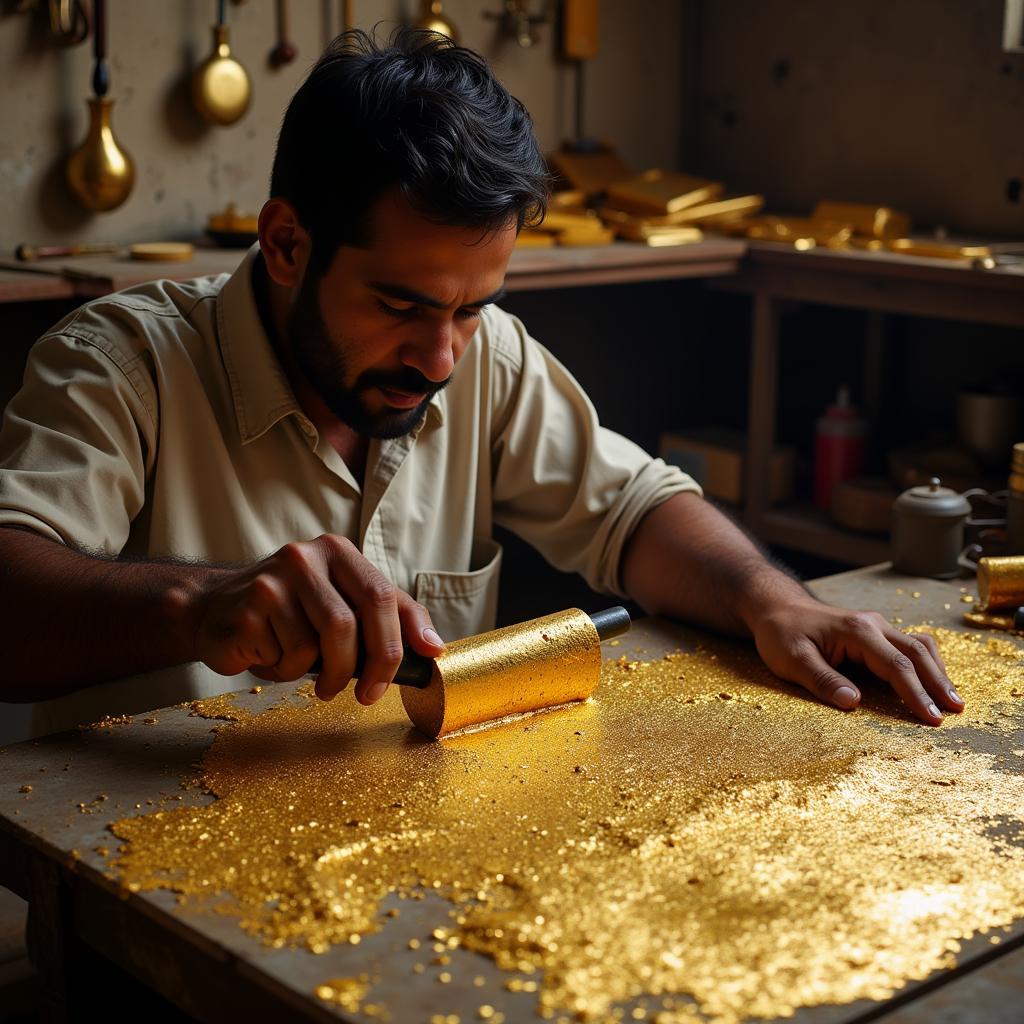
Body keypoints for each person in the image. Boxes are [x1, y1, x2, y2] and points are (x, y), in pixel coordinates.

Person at [0, 29, 962, 737]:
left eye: (470, 308)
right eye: (403, 304)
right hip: (142, 857)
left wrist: (774, 602)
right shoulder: (120, 363)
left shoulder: (484, 353)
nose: (444, 358)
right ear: (287, 243)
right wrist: (201, 606)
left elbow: (635, 511)